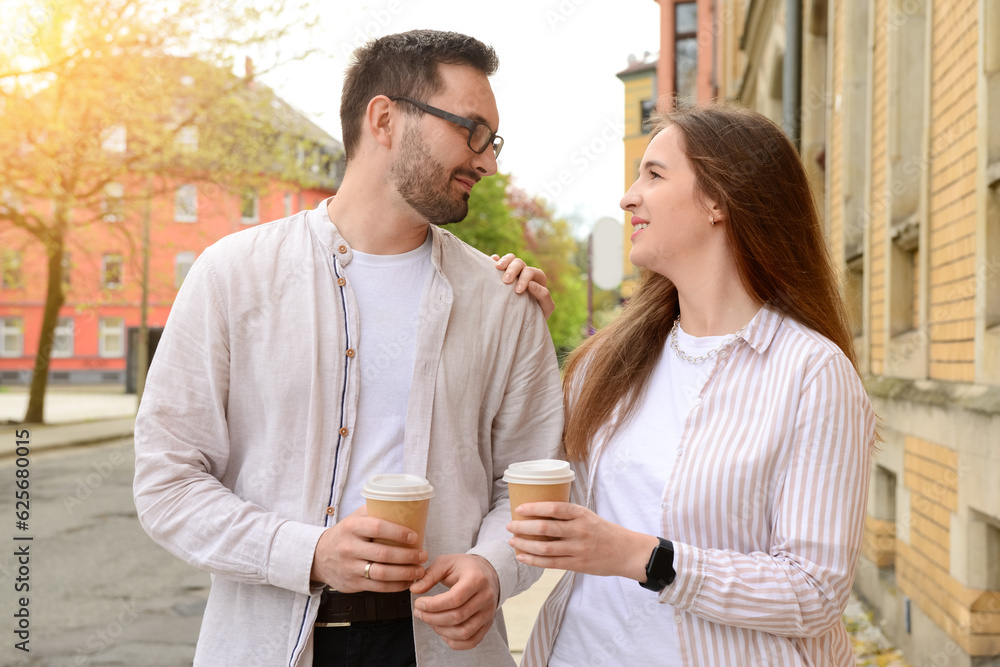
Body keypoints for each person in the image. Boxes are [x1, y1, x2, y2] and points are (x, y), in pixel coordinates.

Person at [133, 30, 563, 667]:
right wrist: (306, 552)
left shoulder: (504, 302)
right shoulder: (232, 275)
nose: (489, 162)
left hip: (445, 647)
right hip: (270, 642)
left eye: (492, 139)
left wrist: (493, 566)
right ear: (386, 119)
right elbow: (167, 482)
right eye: (472, 132)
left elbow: (530, 486)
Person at [509, 105, 876, 666]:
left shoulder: (810, 373)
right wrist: (513, 332)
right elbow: (528, 492)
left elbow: (814, 593)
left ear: (718, 201)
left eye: (654, 175)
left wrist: (644, 558)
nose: (629, 197)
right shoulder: (605, 364)